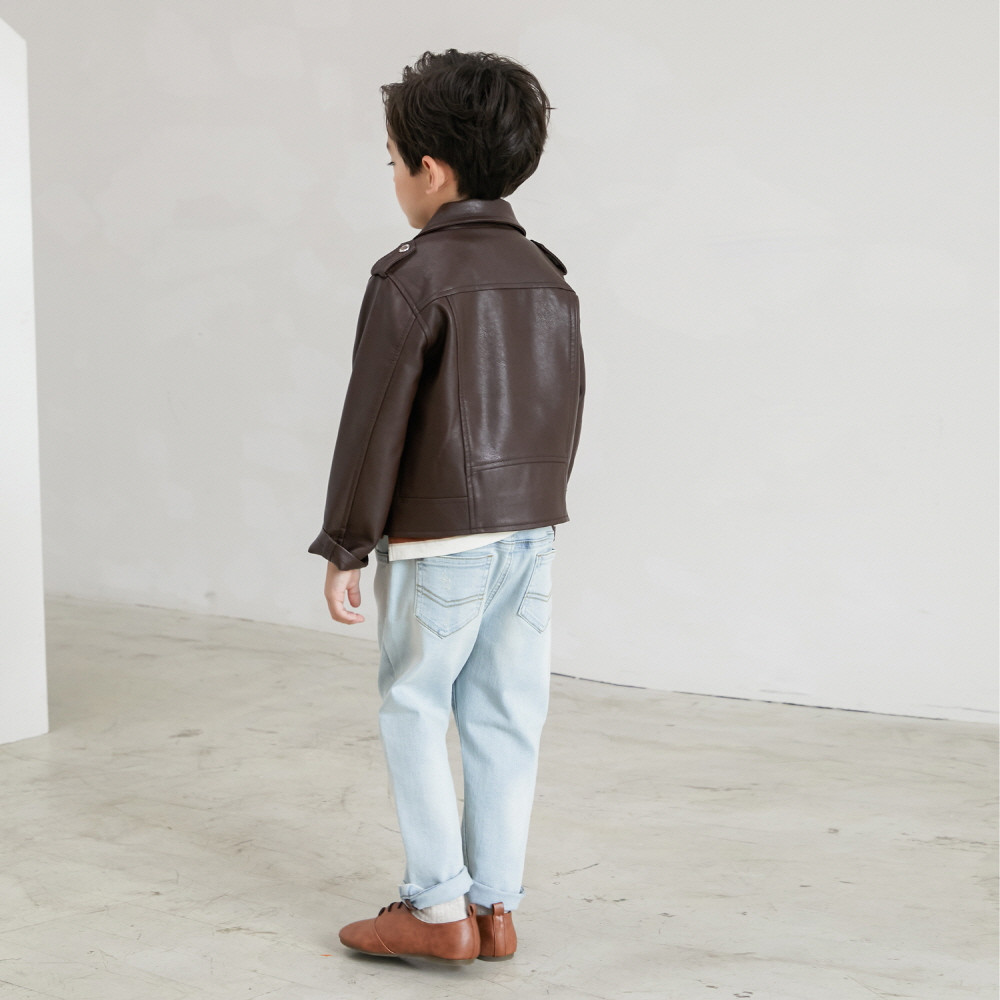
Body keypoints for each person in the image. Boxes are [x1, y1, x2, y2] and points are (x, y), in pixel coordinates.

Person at [308, 49, 584, 964]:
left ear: (430, 170)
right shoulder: (547, 275)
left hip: (440, 543)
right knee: (507, 714)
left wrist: (347, 543)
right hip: (532, 534)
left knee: (416, 706)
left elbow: (374, 421)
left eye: (392, 160)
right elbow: (563, 409)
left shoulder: (412, 277)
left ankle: (435, 910)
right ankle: (496, 908)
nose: (393, 176)